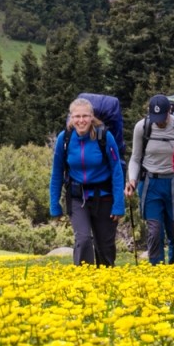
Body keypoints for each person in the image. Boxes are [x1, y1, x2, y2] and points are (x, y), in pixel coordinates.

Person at [49, 98, 125, 266]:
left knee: (104, 247)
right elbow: (57, 173)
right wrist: (54, 204)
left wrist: (119, 204)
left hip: (104, 197)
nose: (81, 120)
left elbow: (117, 171)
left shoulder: (104, 136)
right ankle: (84, 278)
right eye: (77, 116)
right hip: (77, 198)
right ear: (71, 118)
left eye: (85, 116)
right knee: (83, 239)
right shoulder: (65, 138)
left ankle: (107, 279)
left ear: (92, 117)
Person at [127, 94, 174, 265]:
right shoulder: (142, 127)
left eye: (163, 118)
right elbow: (135, 158)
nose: (159, 122)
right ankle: (156, 268)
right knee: (155, 231)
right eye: (155, 118)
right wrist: (132, 180)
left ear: (170, 110)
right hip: (150, 184)